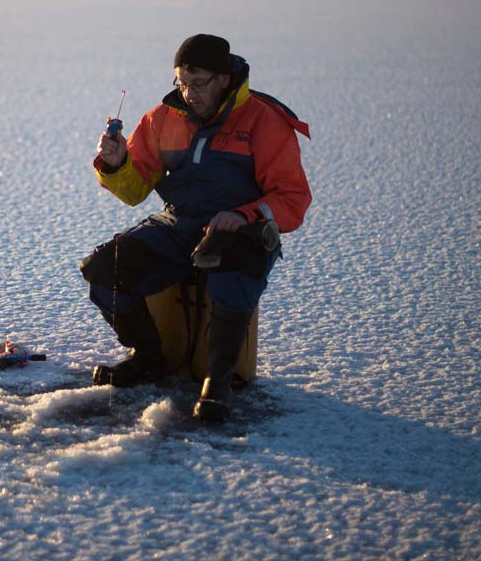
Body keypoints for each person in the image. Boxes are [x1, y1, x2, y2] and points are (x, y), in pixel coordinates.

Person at [80, 34, 311, 423]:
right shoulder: (162, 119)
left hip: (245, 231)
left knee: (229, 270)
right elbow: (136, 190)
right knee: (102, 268)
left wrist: (245, 216)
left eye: (198, 82)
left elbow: (293, 198)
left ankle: (218, 382)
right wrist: (117, 164)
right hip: (180, 223)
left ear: (224, 78)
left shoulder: (263, 121)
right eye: (181, 83)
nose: (188, 93)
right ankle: (148, 357)